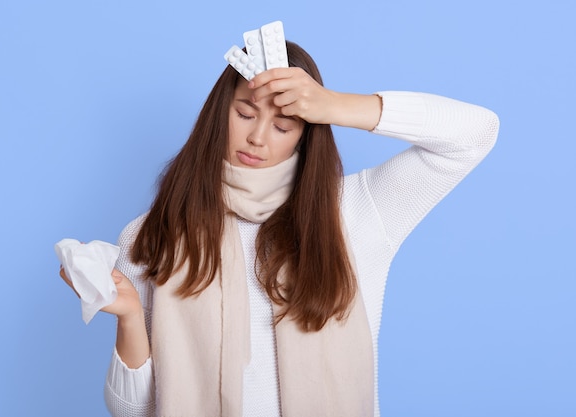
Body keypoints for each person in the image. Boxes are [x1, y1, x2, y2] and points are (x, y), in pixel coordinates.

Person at [60, 40, 499, 417]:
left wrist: (332, 104)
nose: (258, 137)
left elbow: (477, 133)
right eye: (246, 113)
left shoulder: (356, 211)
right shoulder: (152, 234)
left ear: (305, 134)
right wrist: (131, 318)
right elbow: (130, 410)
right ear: (220, 113)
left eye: (283, 124)